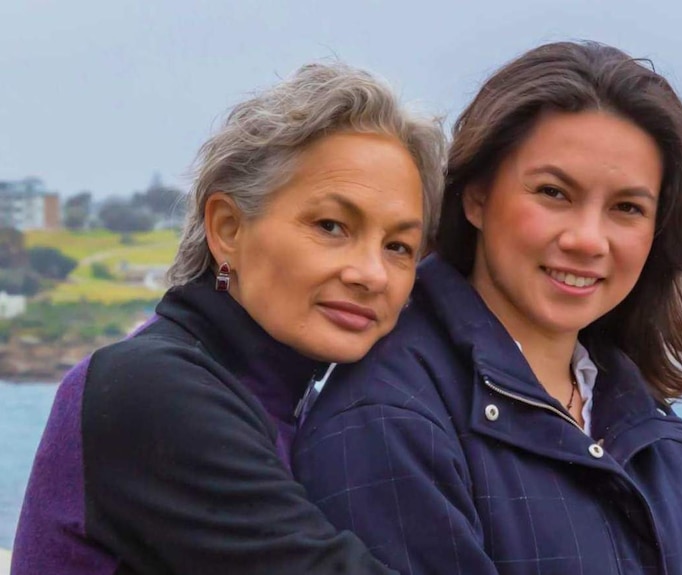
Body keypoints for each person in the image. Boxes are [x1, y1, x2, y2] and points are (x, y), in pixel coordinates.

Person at [293, 41, 682, 575]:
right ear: (476, 195)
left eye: (627, 208)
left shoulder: (665, 449)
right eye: (553, 193)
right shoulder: (389, 421)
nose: (588, 239)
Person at [12, 62, 446, 575]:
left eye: (399, 246)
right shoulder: (151, 389)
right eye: (331, 225)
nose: (372, 274)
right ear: (227, 229)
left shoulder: (284, 395)